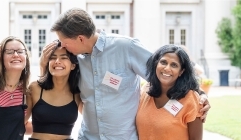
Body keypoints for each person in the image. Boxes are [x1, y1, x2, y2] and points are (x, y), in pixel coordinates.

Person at [40, 8, 211, 139]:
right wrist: (43, 65)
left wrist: (200, 94)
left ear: (80, 39)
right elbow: (56, 88)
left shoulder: (126, 47)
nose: (62, 45)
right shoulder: (76, 60)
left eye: (64, 42)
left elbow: (164, 73)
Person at [136, 44, 203, 140]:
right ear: (156, 64)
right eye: (163, 62)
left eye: (174, 65)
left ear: (181, 71)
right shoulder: (145, 90)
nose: (167, 68)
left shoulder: (190, 99)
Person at [26, 40, 82, 140]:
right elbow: (20, 123)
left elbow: (94, 120)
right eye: (53, 57)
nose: (57, 61)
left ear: (73, 65)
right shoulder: (34, 88)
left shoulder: (77, 93)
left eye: (63, 57)